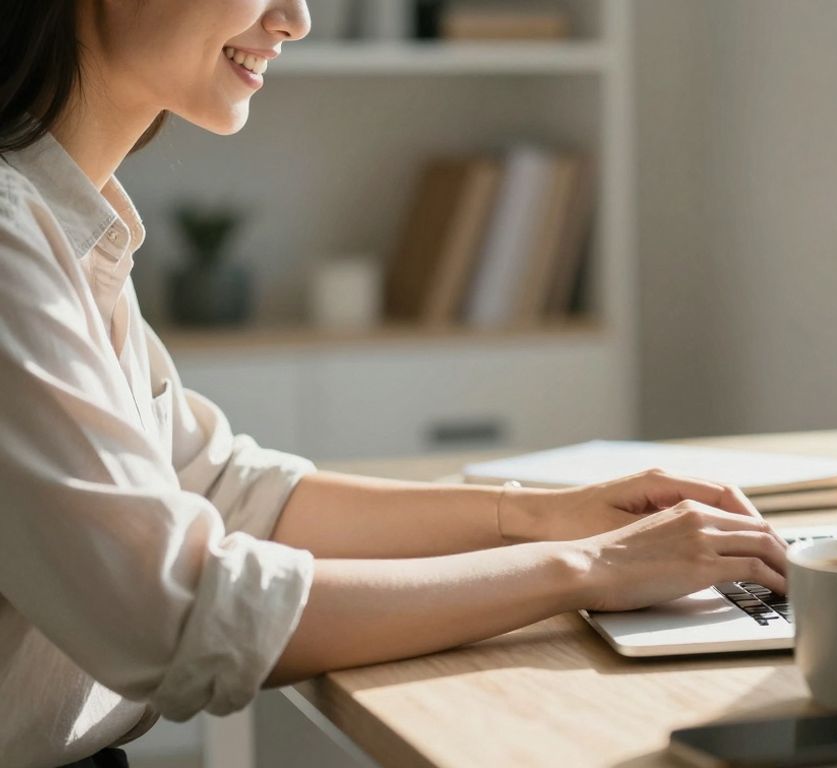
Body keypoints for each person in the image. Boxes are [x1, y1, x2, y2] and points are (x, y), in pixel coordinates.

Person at [0, 2, 790, 766]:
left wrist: (546, 517)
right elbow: (176, 611)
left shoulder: (62, 227)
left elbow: (223, 490)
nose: (296, 19)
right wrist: (589, 569)